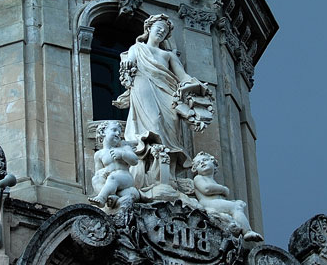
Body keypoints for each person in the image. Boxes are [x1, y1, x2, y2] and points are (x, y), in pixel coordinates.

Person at [112, 14, 213, 177]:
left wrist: (198, 86)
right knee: (155, 122)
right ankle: (150, 165)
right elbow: (128, 67)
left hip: (167, 92)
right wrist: (126, 68)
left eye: (164, 31)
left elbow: (182, 76)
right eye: (158, 28)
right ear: (149, 28)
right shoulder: (137, 49)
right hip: (143, 85)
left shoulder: (168, 55)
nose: (161, 32)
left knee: (171, 124)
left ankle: (167, 171)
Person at [190, 152, 262, 241]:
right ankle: (247, 232)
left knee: (237, 206)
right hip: (208, 204)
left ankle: (240, 227)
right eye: (198, 163)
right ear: (195, 169)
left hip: (215, 203)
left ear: (213, 162)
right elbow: (206, 189)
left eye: (205, 160)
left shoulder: (212, 180)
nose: (202, 163)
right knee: (235, 207)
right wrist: (223, 189)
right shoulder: (198, 178)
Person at [89, 120, 139, 208]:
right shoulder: (99, 154)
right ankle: (110, 197)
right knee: (95, 179)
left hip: (125, 179)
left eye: (119, 132)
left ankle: (102, 197)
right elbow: (98, 171)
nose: (118, 134)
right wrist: (101, 172)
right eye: (114, 130)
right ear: (102, 132)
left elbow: (135, 160)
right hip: (111, 183)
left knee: (114, 176)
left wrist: (122, 154)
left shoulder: (124, 147)